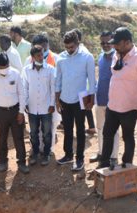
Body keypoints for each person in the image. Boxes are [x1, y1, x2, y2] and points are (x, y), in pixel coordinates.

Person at [99, 28, 137, 171]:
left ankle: (126, 165)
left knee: (127, 136)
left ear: (128, 42)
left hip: (130, 107)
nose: (114, 46)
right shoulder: (117, 54)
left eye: (117, 43)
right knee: (107, 134)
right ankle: (103, 165)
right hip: (113, 105)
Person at [55, 30, 96, 172]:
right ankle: (68, 155)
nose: (69, 50)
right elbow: (58, 80)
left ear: (77, 44)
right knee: (67, 129)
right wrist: (57, 99)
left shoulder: (87, 57)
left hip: (81, 99)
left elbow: (92, 80)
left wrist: (91, 100)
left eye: (71, 47)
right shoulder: (60, 58)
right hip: (65, 98)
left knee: (80, 130)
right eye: (67, 47)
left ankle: (79, 159)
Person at [0, 53, 28, 174]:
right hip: (0, 111)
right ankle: (3, 161)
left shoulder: (16, 73)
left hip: (15, 111)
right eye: (2, 67)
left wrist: (21, 112)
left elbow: (22, 93)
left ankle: (22, 162)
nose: (5, 69)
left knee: (19, 137)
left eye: (6, 66)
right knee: (2, 137)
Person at [22, 45, 55, 166]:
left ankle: (46, 154)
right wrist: (25, 103)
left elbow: (53, 88)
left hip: (46, 107)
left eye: (42, 54)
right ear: (32, 57)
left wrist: (52, 104)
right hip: (32, 107)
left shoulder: (50, 69)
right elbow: (24, 88)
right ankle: (35, 153)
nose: (41, 57)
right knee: (33, 133)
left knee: (47, 133)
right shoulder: (26, 70)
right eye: (38, 55)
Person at [90, 31, 119, 165]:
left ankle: (113, 156)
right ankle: (101, 153)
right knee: (100, 128)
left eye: (108, 42)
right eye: (102, 43)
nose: (105, 45)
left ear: (113, 42)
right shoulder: (101, 57)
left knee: (112, 130)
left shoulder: (118, 58)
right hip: (100, 98)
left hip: (113, 100)